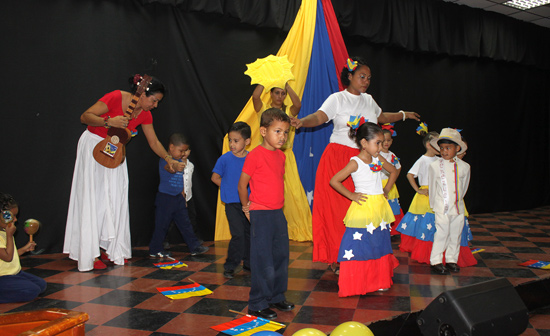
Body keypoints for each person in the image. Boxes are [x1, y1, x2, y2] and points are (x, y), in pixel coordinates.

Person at [291, 57, 420, 273]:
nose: (366, 81)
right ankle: (337, 256)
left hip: (367, 159)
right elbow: (320, 116)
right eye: (362, 76)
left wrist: (404, 115)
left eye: (369, 78)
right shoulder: (337, 99)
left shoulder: (369, 100)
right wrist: (303, 122)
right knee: (338, 210)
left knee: (365, 208)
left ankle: (364, 255)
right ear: (349, 76)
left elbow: (382, 117)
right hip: (338, 158)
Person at [64, 74, 182, 272]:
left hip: (116, 152)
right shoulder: (117, 97)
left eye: (157, 102)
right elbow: (85, 117)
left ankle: (110, 248)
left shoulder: (145, 114)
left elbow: (154, 142)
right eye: (154, 100)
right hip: (94, 146)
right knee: (92, 199)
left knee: (113, 199)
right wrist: (109, 122)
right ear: (143, 93)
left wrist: (169, 159)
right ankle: (89, 253)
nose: (155, 105)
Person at [330, 122, 399, 296]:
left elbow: (394, 171)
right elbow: (334, 181)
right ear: (363, 143)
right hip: (363, 210)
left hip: (379, 209)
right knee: (360, 245)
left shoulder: (378, 159)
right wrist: (352, 195)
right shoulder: (355, 162)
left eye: (382, 142)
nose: (381, 146)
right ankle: (357, 283)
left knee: (379, 244)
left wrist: (386, 189)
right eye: (377, 143)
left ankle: (379, 280)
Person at [238, 108, 294, 320]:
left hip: (278, 214)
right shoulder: (255, 156)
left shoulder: (281, 156)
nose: (282, 136)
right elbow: (242, 185)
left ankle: (276, 296)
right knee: (263, 261)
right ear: (263, 131)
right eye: (277, 131)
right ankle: (257, 303)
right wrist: (247, 208)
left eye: (285, 132)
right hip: (260, 214)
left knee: (281, 257)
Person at [252, 83, 312, 241]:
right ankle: (269, 230)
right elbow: (255, 97)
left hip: (285, 157)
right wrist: (265, 81)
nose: (280, 96)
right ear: (271, 94)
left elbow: (298, 105)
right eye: (277, 93)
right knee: (267, 193)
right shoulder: (264, 110)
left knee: (294, 195)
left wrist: (287, 86)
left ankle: (293, 228)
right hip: (266, 157)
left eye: (282, 93)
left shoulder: (288, 111)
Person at [149, 133, 209, 260]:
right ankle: (155, 249)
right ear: (171, 147)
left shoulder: (181, 161)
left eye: (185, 151)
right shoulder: (164, 160)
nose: (183, 153)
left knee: (186, 223)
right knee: (162, 225)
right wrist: (175, 166)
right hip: (165, 198)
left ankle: (194, 247)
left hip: (178, 198)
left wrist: (183, 196)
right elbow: (169, 169)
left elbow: (181, 180)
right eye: (180, 150)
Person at [427, 128, 473, 274]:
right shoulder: (434, 166)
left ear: (457, 148)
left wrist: (457, 201)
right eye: (442, 148)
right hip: (441, 207)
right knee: (441, 233)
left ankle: (452, 259)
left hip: (458, 207)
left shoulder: (465, 167)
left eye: (448, 148)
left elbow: (464, 187)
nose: (444, 151)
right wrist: (435, 205)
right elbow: (433, 188)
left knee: (456, 233)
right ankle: (436, 261)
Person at [212, 122, 252, 279]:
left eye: (236, 141)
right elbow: (214, 177)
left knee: (249, 233)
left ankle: (249, 263)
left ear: (247, 141)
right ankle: (230, 265)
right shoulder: (225, 159)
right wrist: (227, 187)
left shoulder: (252, 158)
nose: (232, 144)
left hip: (249, 203)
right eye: (230, 140)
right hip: (232, 204)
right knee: (238, 234)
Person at [396, 130, 440, 253]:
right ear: (428, 145)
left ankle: (434, 246)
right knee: (423, 221)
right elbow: (410, 174)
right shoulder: (423, 160)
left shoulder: (440, 160)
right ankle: (421, 247)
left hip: (437, 193)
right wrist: (418, 189)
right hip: (425, 194)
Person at [0, 192, 47, 303]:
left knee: (41, 285)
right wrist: (10, 235)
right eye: (11, 216)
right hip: (2, 276)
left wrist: (24, 249)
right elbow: (7, 257)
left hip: (14, 273)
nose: (15, 220)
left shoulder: (3, 230)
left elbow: (9, 253)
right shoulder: (6, 233)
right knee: (32, 291)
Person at [379, 127, 403, 238]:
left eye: (388, 140)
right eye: (383, 140)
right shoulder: (377, 154)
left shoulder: (392, 155)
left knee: (392, 208)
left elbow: (398, 167)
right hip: (379, 184)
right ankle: (382, 229)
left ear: (392, 141)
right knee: (381, 208)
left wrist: (393, 179)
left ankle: (391, 231)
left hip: (390, 184)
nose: (386, 142)